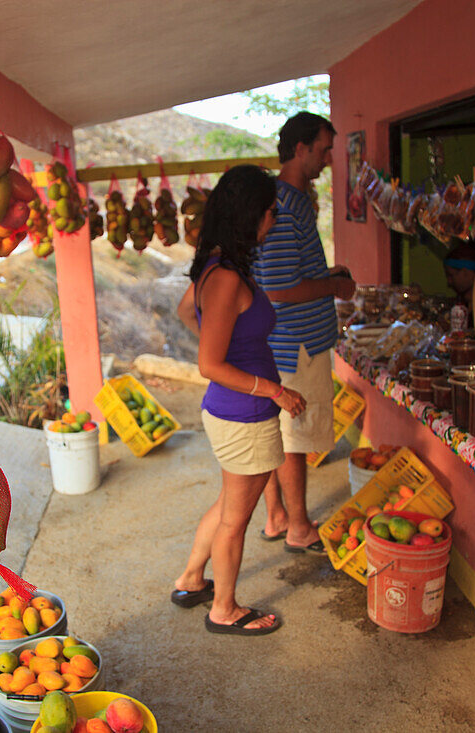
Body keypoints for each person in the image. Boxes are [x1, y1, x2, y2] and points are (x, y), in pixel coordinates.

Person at [171, 165, 306, 636]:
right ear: (251, 214)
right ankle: (223, 609)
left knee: (230, 503)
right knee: (236, 520)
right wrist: (275, 390)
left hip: (232, 411)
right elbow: (210, 364)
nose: (273, 218)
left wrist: (220, 341)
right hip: (245, 414)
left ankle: (191, 579)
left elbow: (186, 311)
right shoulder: (227, 276)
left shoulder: (215, 261)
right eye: (270, 210)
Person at [252, 112, 357, 553]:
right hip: (296, 345)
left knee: (279, 434)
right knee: (293, 440)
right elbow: (278, 289)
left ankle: (278, 518)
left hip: (290, 341)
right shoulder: (283, 205)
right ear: (300, 150)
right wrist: (333, 285)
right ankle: (298, 527)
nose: (328, 159)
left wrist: (325, 273)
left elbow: (288, 274)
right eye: (323, 149)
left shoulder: (288, 200)